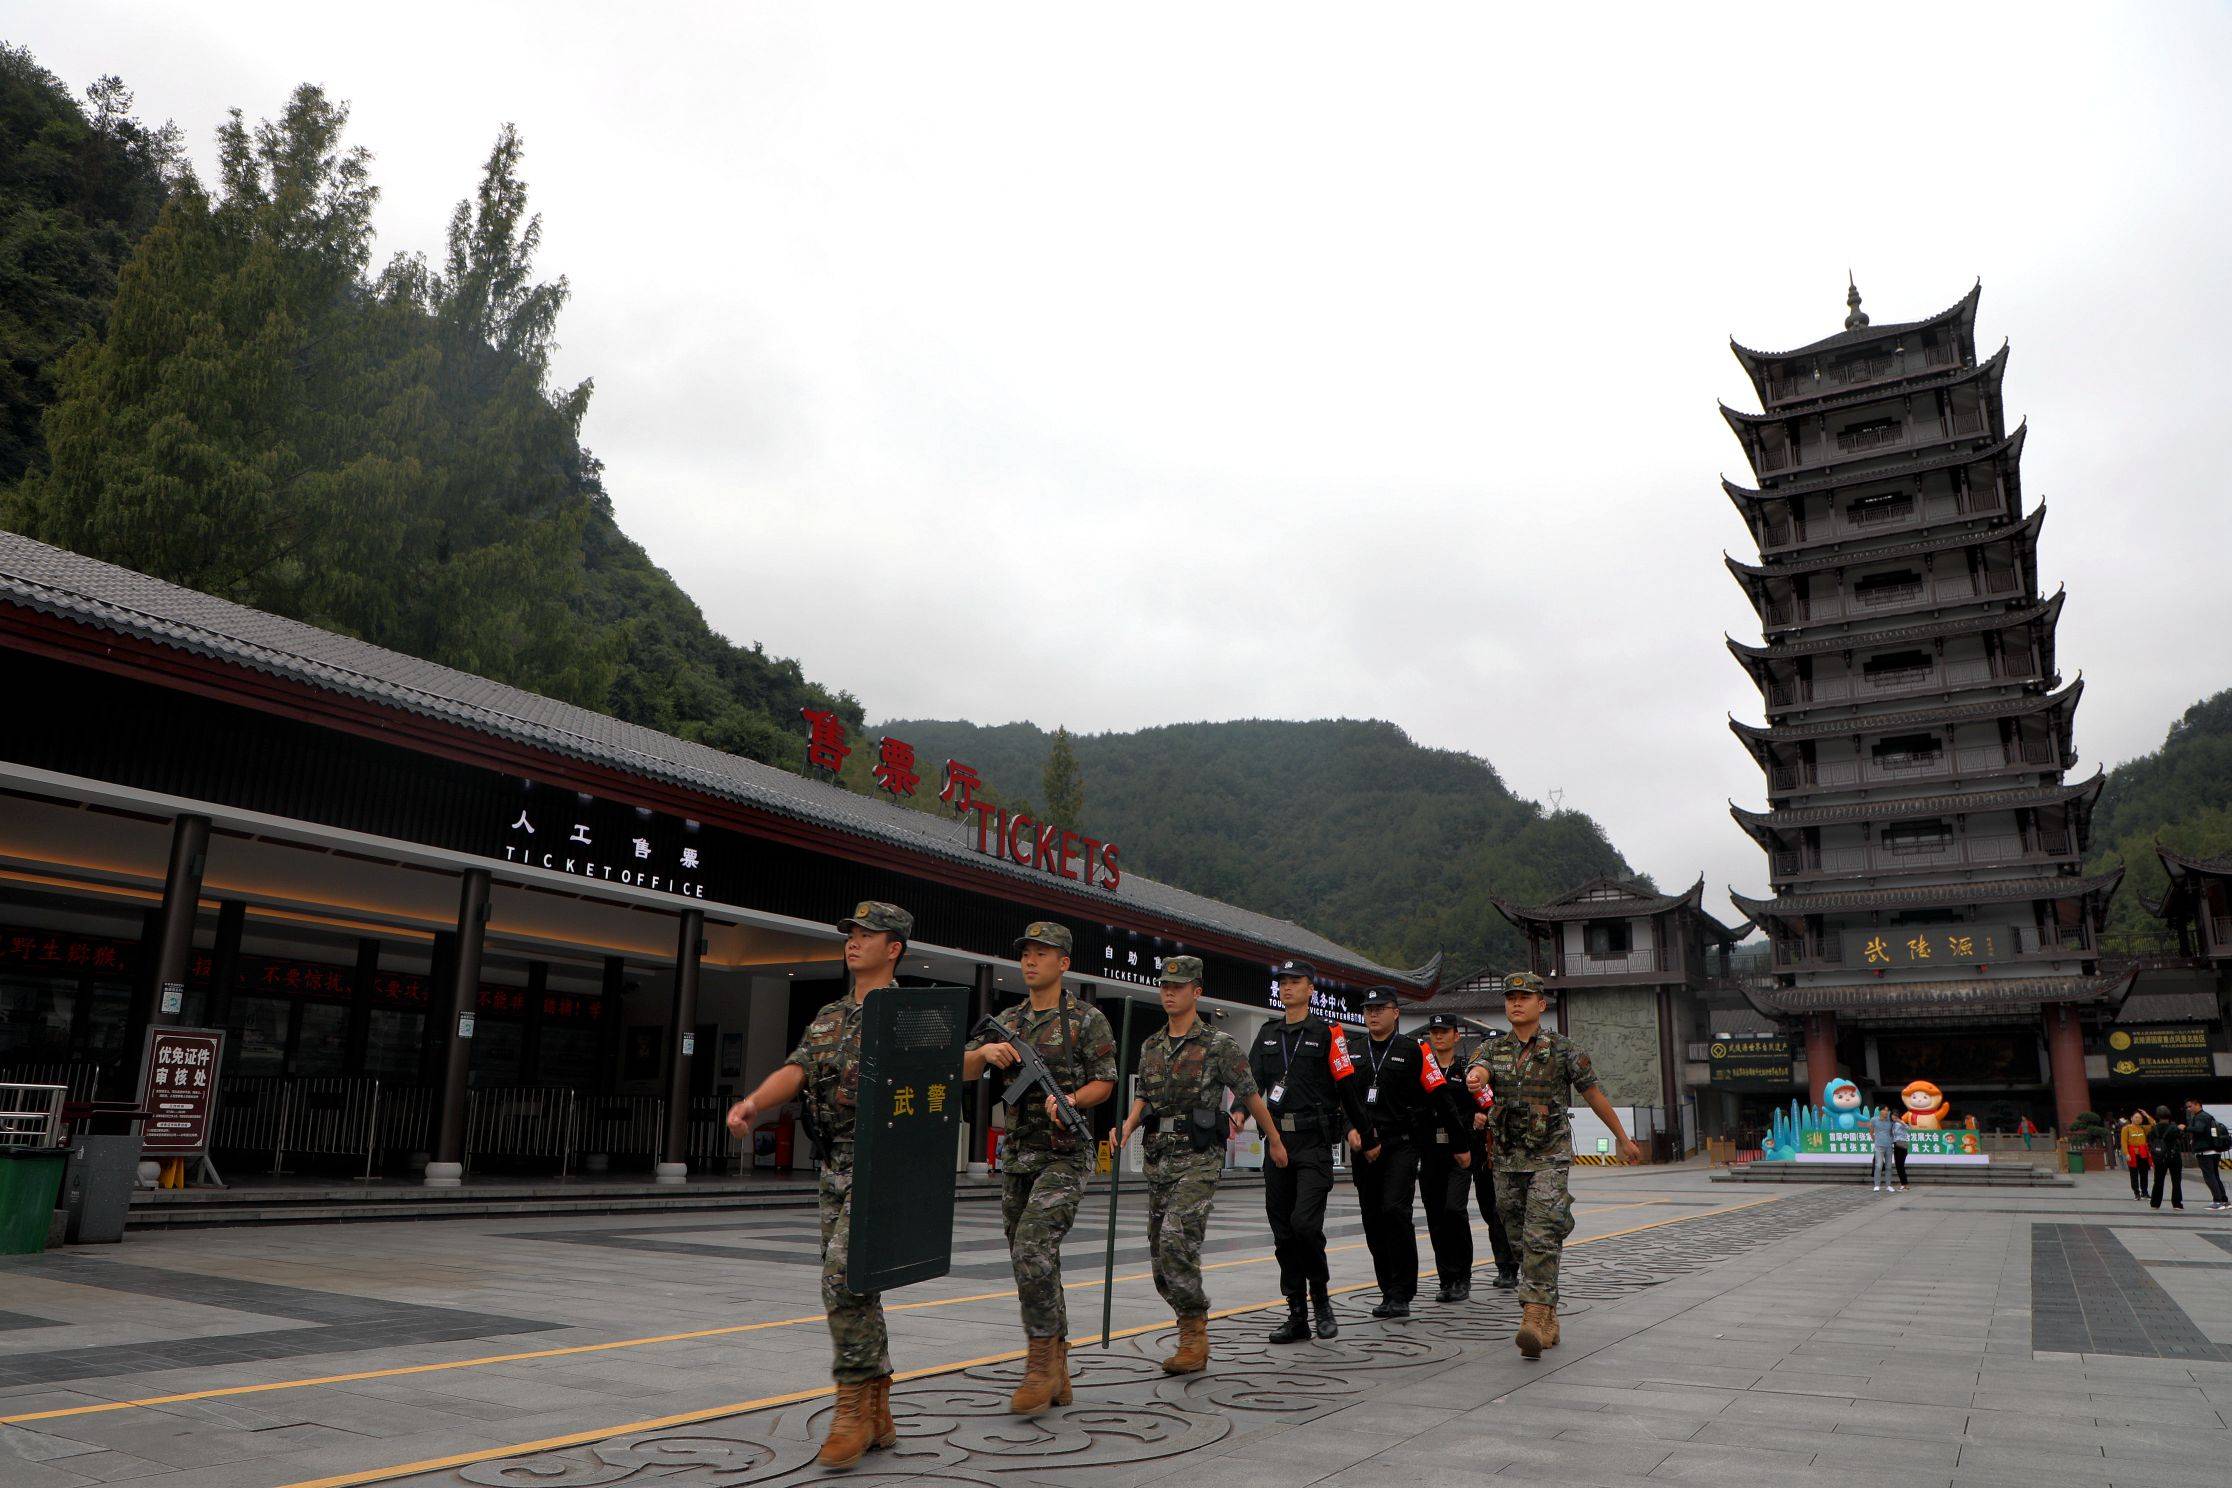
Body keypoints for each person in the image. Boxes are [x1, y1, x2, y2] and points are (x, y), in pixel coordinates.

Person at [723, 901, 911, 1470]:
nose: (854, 942)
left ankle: (851, 1405)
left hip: (883, 1164)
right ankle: (878, 1409)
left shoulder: (910, 1012)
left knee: (842, 1277)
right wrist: (753, 1101)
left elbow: (949, 1066)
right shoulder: (830, 1014)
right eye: (851, 933)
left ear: (893, 948)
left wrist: (979, 1057)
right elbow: (799, 1067)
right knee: (858, 1284)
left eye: (867, 935)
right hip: (833, 1166)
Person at [962, 921, 1118, 1415]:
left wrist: (1070, 1097)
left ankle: (1038, 1363)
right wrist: (983, 1052)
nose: (1030, 960)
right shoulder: (1010, 1018)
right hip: (1018, 1155)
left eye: (1041, 953)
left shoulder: (1086, 1020)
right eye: (1025, 952)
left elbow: (1106, 1084)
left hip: (1066, 1154)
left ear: (1063, 963)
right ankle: (1059, 1366)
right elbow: (961, 1068)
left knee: (1032, 1244)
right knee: (1031, 1258)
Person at [1117, 956, 1289, 1373]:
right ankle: (1188, 1322)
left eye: (1178, 986)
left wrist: (1275, 1140)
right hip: (1160, 1157)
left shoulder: (1220, 1046)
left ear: (1196, 991)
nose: (1169, 992)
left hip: (1199, 1158)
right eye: (1164, 986)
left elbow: (1251, 1096)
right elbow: (1145, 1098)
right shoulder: (1151, 1045)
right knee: (1160, 1257)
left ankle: (1194, 1335)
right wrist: (1126, 1124)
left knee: (1178, 1240)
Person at [1465, 972, 1642, 1359]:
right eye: (1510, 997)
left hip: (1549, 1156)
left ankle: (1532, 1315)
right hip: (1507, 1158)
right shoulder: (1492, 1049)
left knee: (1541, 1233)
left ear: (1540, 1005)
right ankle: (1547, 1313)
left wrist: (1622, 1137)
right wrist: (1476, 1078)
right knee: (1516, 1239)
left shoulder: (1564, 1050)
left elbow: (1592, 1093)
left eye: (1524, 997)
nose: (1516, 1003)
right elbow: (1477, 1072)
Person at [1240, 959, 1378, 1344]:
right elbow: (1249, 1083)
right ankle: (1296, 1313)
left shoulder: (1328, 1033)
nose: (1287, 987)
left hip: (1314, 1144)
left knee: (1305, 1225)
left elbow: (1347, 1089)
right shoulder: (1269, 1034)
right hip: (1277, 1143)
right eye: (1282, 982)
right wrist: (1237, 1111)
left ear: (1311, 989)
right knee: (1283, 1233)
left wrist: (1366, 1134)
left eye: (1295, 981)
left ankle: (1321, 1300)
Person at [1348, 987, 1473, 1318]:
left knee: (1395, 1211)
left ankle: (1403, 1291)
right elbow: (1343, 1098)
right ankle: (1387, 1289)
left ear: (1396, 1013)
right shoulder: (1353, 1049)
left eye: (1380, 1008)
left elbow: (1441, 1097)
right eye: (1368, 1008)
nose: (1373, 1014)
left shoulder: (1416, 1050)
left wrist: (1460, 1144)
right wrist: (1348, 1129)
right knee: (1373, 1218)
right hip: (1364, 1146)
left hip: (1401, 1144)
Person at [1419, 1012, 1517, 1297]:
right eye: (1434, 1031)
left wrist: (1480, 1116)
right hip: (1431, 1151)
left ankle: (1463, 1275)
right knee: (1436, 1217)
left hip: (1463, 1151)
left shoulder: (1468, 1070)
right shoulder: (1423, 1070)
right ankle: (1446, 1278)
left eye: (1444, 1031)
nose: (1438, 1036)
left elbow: (1488, 1104)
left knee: (1455, 1210)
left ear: (1456, 1035)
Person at [2184, 1099, 2231, 1212]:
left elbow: (2199, 1129)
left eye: (2190, 1106)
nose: (2188, 1109)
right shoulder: (2208, 1116)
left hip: (2206, 1152)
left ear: (2197, 1105)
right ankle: (2224, 1200)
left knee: (2209, 1176)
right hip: (2214, 1151)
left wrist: (2185, 1128)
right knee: (2215, 1175)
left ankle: (2217, 1201)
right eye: (2187, 1107)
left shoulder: (2200, 1117)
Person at [2148, 1104, 2188, 1211]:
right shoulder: (2174, 1128)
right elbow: (2182, 1138)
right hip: (2173, 1156)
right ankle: (2177, 1203)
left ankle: (2155, 1203)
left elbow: (2150, 1141)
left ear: (2158, 1116)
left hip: (2160, 1157)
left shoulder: (2154, 1128)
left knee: (2158, 1180)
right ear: (2169, 1115)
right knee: (2176, 1180)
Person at [2122, 1109, 2155, 1201]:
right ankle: (2136, 1192)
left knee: (2144, 1173)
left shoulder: (2143, 1128)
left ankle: (2145, 1192)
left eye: (2140, 1118)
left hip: (2143, 1153)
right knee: (2134, 1174)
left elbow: (2153, 1125)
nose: (2138, 1119)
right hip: (2132, 1153)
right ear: (2131, 1118)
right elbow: (2124, 1142)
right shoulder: (2126, 1128)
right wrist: (2126, 1153)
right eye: (2136, 1117)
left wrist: (2147, 1115)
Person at [1869, 1102, 1897, 1192]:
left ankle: (1888, 1185)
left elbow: (1894, 1130)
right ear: (1880, 1111)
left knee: (1889, 1166)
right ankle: (1877, 1185)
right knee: (1878, 1166)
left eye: (1887, 1110)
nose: (1886, 1112)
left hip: (1889, 1146)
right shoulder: (1874, 1120)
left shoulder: (1890, 1120)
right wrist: (1875, 1140)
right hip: (1879, 1147)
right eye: (1884, 1110)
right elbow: (1871, 1131)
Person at [1890, 1109, 1909, 1190]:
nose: (1893, 1117)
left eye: (1895, 1115)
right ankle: (1903, 1184)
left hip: (1902, 1143)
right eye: (1892, 1116)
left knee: (1900, 1165)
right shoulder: (1893, 1124)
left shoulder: (1901, 1123)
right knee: (1898, 1165)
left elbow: (1908, 1128)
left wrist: (1901, 1121)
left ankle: (1905, 1184)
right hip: (1896, 1144)